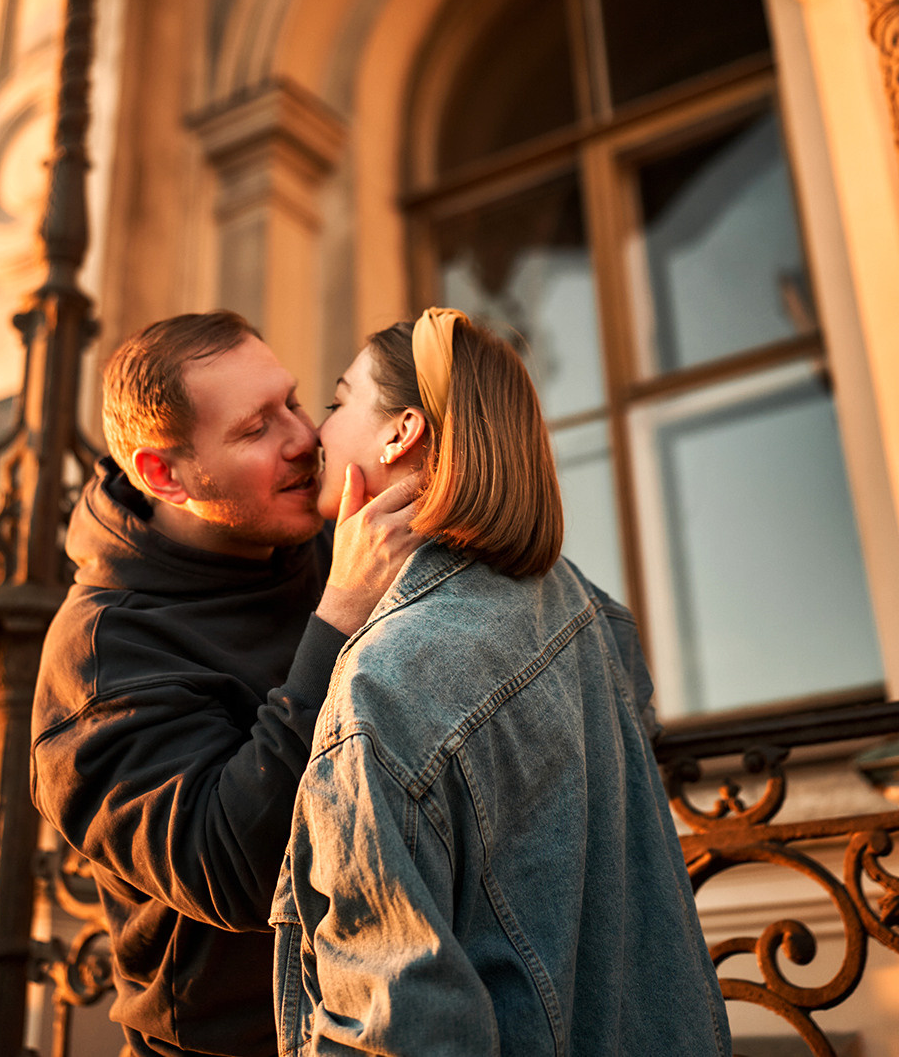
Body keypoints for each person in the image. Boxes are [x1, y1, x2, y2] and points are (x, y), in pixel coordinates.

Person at [272, 307, 732, 1056]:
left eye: (337, 401)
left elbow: (399, 1027)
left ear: (402, 432)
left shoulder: (383, 683)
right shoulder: (584, 606)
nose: (316, 432)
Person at [30, 311, 418, 1057]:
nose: (305, 437)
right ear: (164, 475)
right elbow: (235, 874)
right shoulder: (99, 656)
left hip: (404, 1014)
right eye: (255, 429)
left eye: (294, 402)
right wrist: (340, 617)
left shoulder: (332, 538)